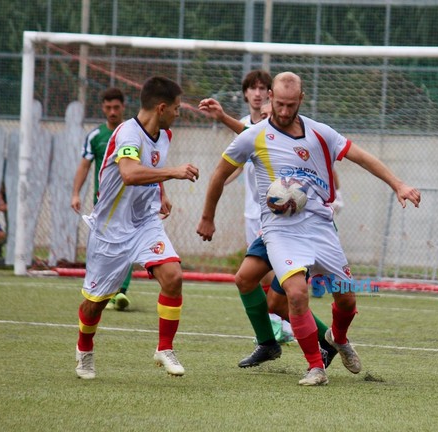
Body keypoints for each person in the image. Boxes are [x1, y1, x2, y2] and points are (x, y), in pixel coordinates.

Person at [197, 71, 421, 386]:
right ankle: (315, 366)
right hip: (279, 229)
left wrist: (398, 184)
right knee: (296, 294)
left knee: (346, 297)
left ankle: (338, 337)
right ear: (271, 99)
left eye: (291, 105)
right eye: (280, 104)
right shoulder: (253, 135)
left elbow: (361, 157)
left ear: (301, 100)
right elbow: (219, 175)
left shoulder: (321, 133)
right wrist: (208, 217)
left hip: (319, 225)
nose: (285, 111)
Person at [74, 76, 200, 380]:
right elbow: (129, 173)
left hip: (145, 222)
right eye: (176, 108)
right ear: (161, 107)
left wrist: (162, 193)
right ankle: (84, 349)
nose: (179, 113)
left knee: (173, 276)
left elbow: (149, 168)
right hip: (110, 230)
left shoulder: (164, 134)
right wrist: (174, 173)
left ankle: (164, 347)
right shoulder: (128, 134)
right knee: (95, 304)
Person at [199, 96, 339, 368]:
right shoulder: (259, 136)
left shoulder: (298, 140)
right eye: (263, 116)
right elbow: (249, 135)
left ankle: (325, 342)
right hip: (269, 224)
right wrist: (224, 117)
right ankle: (268, 343)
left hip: (300, 229)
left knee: (279, 299)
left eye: (269, 114)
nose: (268, 120)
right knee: (246, 279)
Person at [71, 87, 132, 311]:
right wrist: (76, 193)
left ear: (123, 107)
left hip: (130, 202)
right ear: (103, 108)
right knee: (102, 248)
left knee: (128, 246)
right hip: (104, 205)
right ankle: (101, 289)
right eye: (108, 107)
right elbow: (84, 166)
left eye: (116, 107)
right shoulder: (96, 136)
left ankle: (120, 293)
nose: (112, 111)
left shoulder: (133, 132)